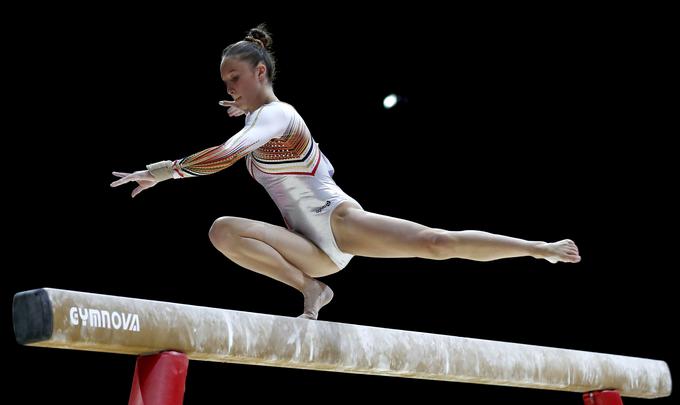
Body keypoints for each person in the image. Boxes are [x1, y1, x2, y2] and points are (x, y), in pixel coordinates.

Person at [111, 24, 580, 320]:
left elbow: (228, 155)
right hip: (311, 251)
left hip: (340, 222)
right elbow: (246, 145)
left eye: (235, 77)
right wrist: (246, 117)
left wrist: (163, 171)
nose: (229, 87)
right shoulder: (261, 120)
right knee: (223, 231)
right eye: (224, 83)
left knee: (437, 243)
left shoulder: (280, 114)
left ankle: (538, 249)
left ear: (260, 72)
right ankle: (311, 288)